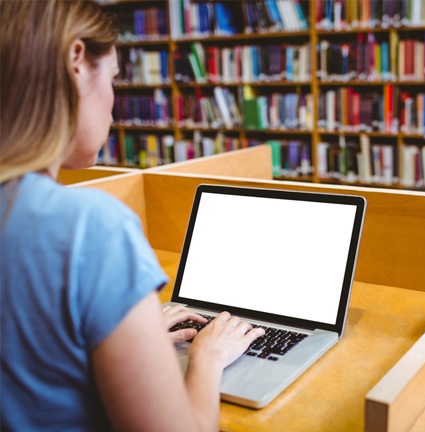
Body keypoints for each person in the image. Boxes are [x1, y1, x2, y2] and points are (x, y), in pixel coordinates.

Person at [0, 1, 264, 430]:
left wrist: (127, 333)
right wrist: (209, 357)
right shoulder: (91, 226)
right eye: (115, 77)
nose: (114, 103)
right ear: (77, 62)